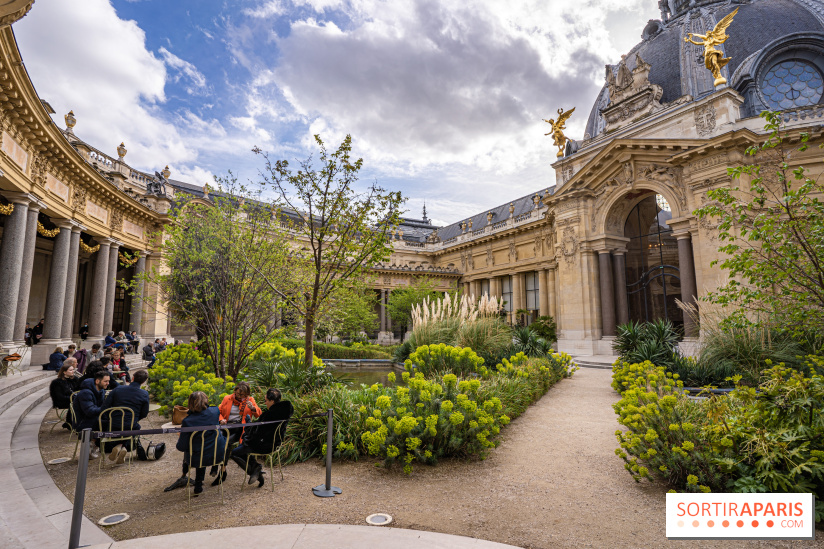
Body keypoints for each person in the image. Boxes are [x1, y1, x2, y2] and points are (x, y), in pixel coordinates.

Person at [230, 388, 293, 487]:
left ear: (272, 401)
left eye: (266, 400)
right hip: (275, 443)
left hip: (265, 445)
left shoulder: (269, 415)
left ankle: (256, 470)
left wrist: (248, 425)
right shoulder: (285, 411)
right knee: (243, 446)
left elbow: (256, 434)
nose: (265, 402)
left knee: (235, 453)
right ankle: (256, 469)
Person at [172, 391, 227, 495]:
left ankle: (196, 483)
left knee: (198, 450)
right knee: (208, 444)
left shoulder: (188, 421)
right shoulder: (215, 411)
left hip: (199, 458)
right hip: (218, 454)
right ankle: (213, 469)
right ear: (205, 400)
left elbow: (181, 446)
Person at [101, 369, 150, 464]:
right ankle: (123, 447)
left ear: (132, 378)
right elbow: (144, 413)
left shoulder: (118, 389)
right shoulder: (144, 394)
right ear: (143, 382)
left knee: (123, 428)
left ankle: (119, 446)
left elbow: (105, 406)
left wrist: (109, 418)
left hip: (113, 424)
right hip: (130, 424)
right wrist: (134, 418)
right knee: (135, 428)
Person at [70, 370, 111, 459]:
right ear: (97, 381)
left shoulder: (101, 391)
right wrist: (106, 409)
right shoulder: (85, 393)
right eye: (105, 381)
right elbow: (89, 411)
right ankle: (93, 445)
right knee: (109, 424)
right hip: (83, 423)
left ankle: (104, 445)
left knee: (113, 421)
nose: (108, 383)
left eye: (108, 381)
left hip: (92, 419)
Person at [49, 359, 80, 430]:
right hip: (62, 401)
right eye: (70, 370)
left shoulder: (75, 379)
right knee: (77, 403)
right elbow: (59, 397)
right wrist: (74, 397)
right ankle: (70, 422)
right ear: (64, 372)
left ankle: (74, 422)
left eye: (73, 370)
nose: (73, 372)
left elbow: (79, 389)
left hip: (73, 399)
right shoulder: (57, 382)